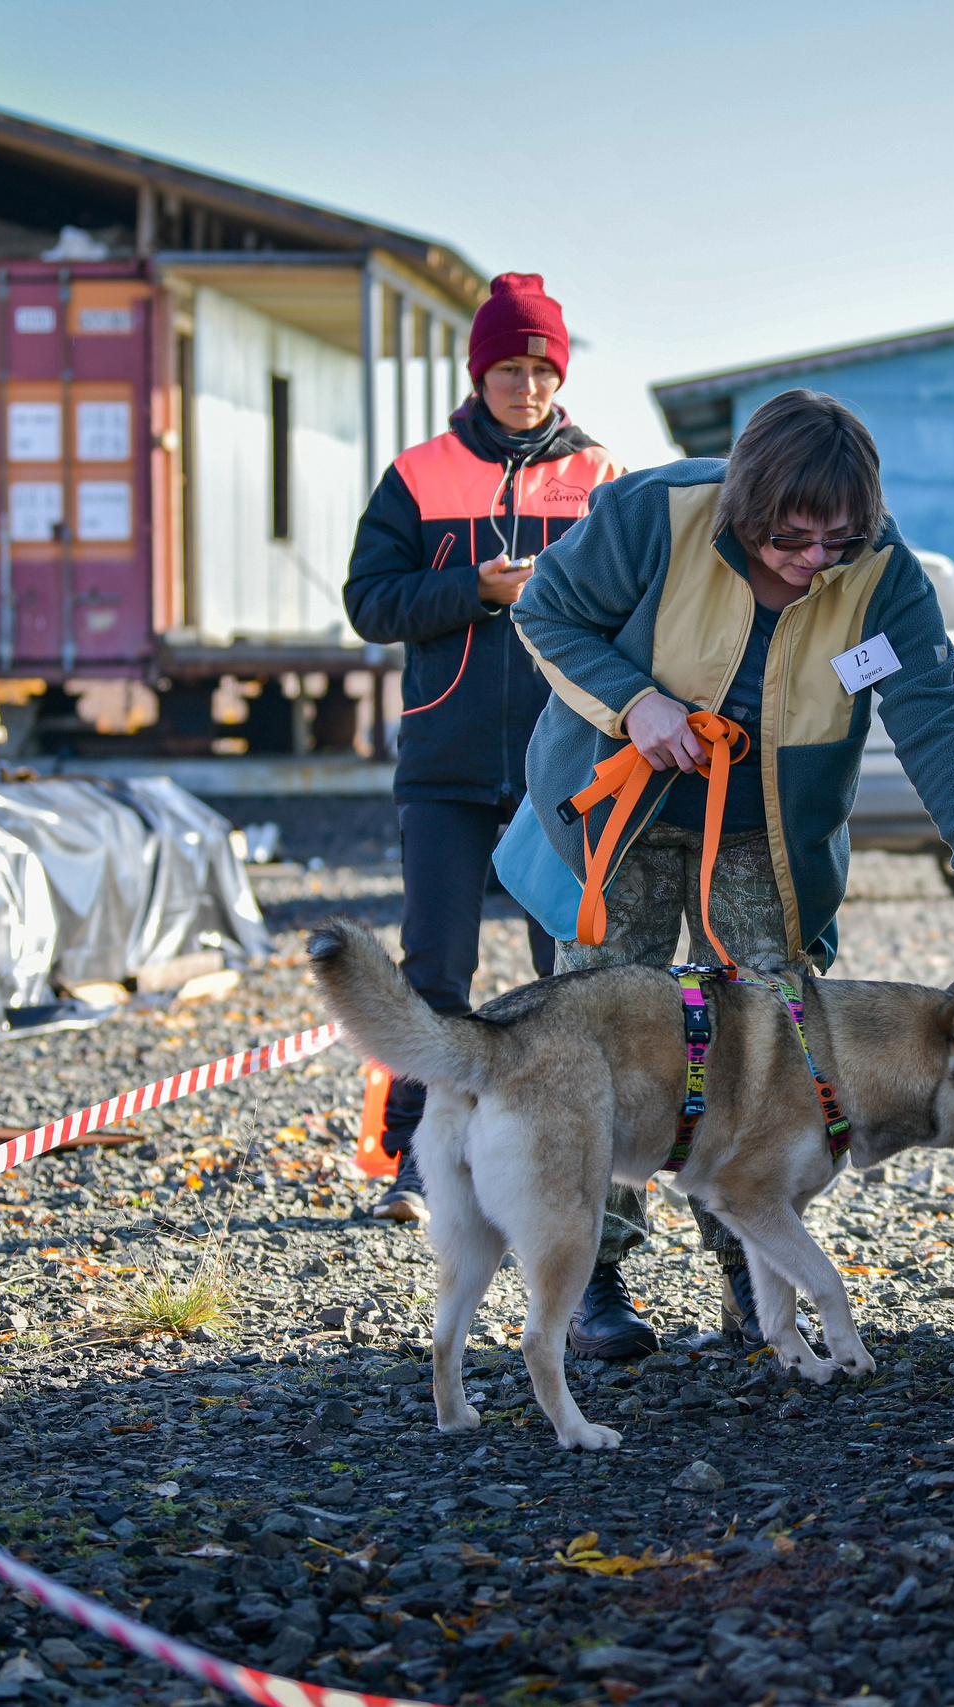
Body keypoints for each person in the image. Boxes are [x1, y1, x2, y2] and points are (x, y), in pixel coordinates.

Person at [513, 387, 954, 1356]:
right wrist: (636, 707)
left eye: (837, 542)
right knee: (597, 1043)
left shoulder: (881, 576)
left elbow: (929, 719)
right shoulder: (654, 516)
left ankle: (755, 1278)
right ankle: (593, 1282)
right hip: (622, 812)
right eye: (793, 541)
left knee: (774, 1045)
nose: (814, 563)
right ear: (746, 508)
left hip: (763, 844)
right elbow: (548, 614)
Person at [343, 274, 624, 1236]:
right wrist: (473, 588)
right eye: (509, 367)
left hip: (566, 769)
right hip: (446, 766)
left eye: (543, 368)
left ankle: (565, 1165)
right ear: (480, 371)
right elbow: (370, 602)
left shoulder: (599, 477)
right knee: (435, 972)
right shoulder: (418, 474)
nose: (527, 385)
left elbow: (637, 606)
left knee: (570, 976)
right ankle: (415, 1169)